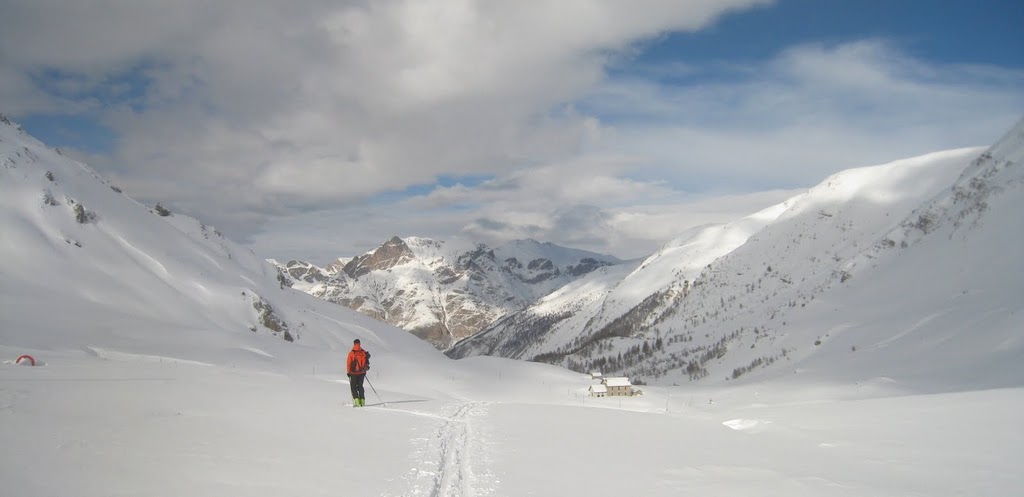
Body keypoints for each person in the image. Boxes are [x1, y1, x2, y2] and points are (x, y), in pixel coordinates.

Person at [346, 338, 371, 407]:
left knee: (353, 386)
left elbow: (349, 363)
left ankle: (356, 401)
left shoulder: (351, 353)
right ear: (360, 344)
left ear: (354, 344)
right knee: (360, 386)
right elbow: (366, 361)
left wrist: (348, 372)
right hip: (362, 372)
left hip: (353, 373)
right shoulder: (363, 352)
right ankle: (362, 401)